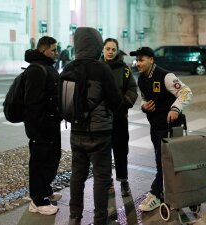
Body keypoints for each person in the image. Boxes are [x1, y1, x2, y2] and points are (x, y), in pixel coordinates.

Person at [67, 28, 122, 225]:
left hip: (76, 131)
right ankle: (100, 220)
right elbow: (116, 100)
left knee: (77, 176)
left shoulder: (68, 68)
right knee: (101, 178)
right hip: (100, 133)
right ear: (97, 45)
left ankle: (74, 218)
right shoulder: (101, 69)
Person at [130, 47, 193, 212]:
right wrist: (144, 107)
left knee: (162, 161)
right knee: (166, 162)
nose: (138, 63)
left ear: (151, 59)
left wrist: (175, 108)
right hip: (155, 126)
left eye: (141, 59)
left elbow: (186, 92)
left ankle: (156, 194)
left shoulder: (166, 76)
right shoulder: (142, 79)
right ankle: (178, 193)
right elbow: (145, 100)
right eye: (137, 60)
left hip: (171, 127)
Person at [23, 36, 62, 215]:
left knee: (51, 158)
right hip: (42, 126)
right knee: (39, 162)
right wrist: (37, 129)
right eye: (53, 50)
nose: (56, 53)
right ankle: (37, 201)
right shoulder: (36, 70)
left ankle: (45, 189)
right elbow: (32, 104)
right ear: (43, 50)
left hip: (51, 123)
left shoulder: (46, 67)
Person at [99, 38, 138, 197]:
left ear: (117, 51)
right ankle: (107, 182)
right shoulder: (97, 67)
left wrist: (123, 104)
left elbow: (132, 89)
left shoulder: (124, 69)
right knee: (104, 152)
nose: (110, 52)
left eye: (113, 49)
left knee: (121, 151)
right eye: (107, 48)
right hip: (101, 119)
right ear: (103, 49)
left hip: (119, 118)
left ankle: (123, 181)